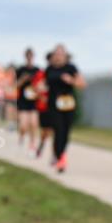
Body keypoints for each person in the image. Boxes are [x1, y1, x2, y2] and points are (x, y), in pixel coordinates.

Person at [44, 45, 85, 173]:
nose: (58, 56)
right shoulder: (49, 69)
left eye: (61, 53)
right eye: (56, 53)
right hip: (53, 105)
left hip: (68, 105)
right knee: (58, 130)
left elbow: (82, 84)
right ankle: (61, 157)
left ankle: (60, 155)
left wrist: (71, 80)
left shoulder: (71, 68)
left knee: (66, 132)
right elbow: (43, 84)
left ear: (66, 55)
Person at [15, 48, 40, 157]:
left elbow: (42, 85)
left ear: (33, 56)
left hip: (34, 101)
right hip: (23, 101)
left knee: (33, 124)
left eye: (31, 55)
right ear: (25, 56)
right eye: (28, 55)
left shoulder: (38, 70)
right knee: (23, 125)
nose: (29, 57)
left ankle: (32, 145)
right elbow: (15, 85)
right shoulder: (20, 70)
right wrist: (23, 80)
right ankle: (21, 136)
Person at [32, 53, 53, 160]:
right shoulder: (41, 74)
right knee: (45, 131)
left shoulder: (62, 73)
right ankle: (41, 146)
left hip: (57, 108)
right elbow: (35, 89)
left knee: (56, 131)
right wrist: (41, 96)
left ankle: (55, 155)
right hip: (44, 107)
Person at [3, 63, 18, 131]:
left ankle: (14, 124)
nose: (11, 71)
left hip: (16, 97)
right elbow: (4, 87)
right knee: (8, 111)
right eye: (10, 69)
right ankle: (10, 125)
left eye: (12, 69)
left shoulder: (16, 76)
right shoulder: (6, 76)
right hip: (8, 97)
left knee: (15, 112)